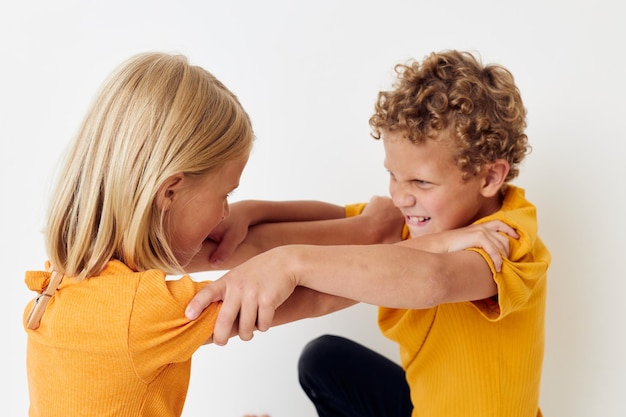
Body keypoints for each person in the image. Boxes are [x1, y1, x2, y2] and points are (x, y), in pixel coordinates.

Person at [22, 52, 401, 417]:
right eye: (225, 195)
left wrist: (360, 227)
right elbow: (317, 296)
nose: (225, 212)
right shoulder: (142, 311)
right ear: (170, 191)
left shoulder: (71, 277)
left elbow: (254, 243)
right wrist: (400, 243)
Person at [184, 49, 551, 417]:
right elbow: (345, 227)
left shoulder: (507, 238)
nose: (400, 196)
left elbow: (434, 280)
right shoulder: (422, 218)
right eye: (393, 175)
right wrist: (251, 211)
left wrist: (290, 263)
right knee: (325, 360)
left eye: (421, 182)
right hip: (426, 409)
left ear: (489, 178)